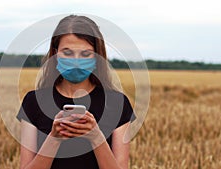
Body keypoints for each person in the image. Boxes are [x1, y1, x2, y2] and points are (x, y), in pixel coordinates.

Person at [17, 15, 135, 169]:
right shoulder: (33, 102)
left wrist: (95, 137)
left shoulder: (118, 104)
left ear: (97, 56)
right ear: (55, 53)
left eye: (85, 54)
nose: (76, 62)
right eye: (67, 53)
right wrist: (54, 138)